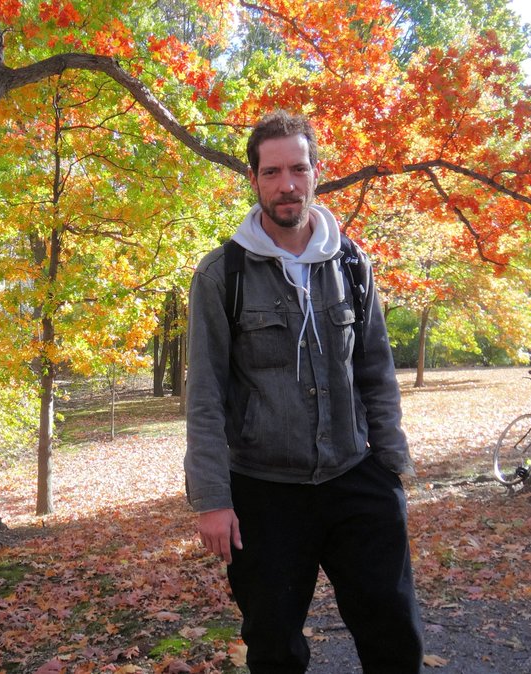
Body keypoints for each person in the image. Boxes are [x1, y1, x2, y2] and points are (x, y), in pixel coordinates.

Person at [184, 111, 423, 673]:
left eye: (297, 169)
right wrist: (213, 500)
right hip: (265, 493)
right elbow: (205, 398)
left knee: (393, 633)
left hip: (355, 476)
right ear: (254, 180)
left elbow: (376, 370)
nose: (286, 184)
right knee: (274, 645)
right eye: (271, 172)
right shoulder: (223, 275)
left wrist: (391, 467)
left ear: (316, 173)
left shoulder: (352, 264)